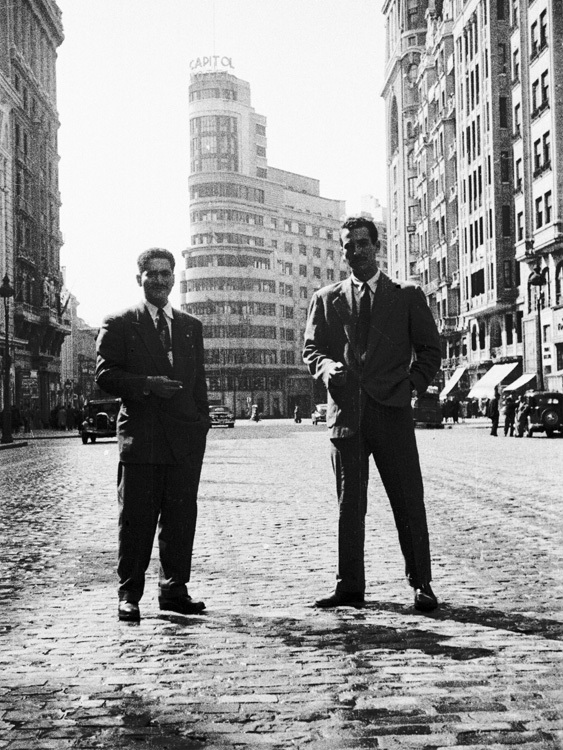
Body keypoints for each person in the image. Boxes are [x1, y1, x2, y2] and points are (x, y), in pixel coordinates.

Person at [303, 216, 442, 612]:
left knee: (408, 501)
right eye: (348, 245)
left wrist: (411, 386)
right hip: (347, 416)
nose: (355, 251)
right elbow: (312, 350)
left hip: (392, 413)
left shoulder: (406, 295)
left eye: (362, 243)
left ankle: (422, 584)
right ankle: (349, 586)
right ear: (342, 251)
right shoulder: (326, 298)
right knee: (350, 505)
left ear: (376, 247)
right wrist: (327, 369)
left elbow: (430, 351)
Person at [96, 248, 210, 622]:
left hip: (183, 441)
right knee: (136, 520)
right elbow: (105, 376)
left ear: (174, 278)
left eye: (166, 274)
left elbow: (199, 386)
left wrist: (200, 428)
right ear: (139, 278)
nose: (159, 280)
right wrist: (146, 384)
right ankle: (129, 594)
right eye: (152, 274)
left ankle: (175, 590)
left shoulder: (191, 326)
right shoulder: (120, 323)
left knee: (180, 519)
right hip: (142, 438)